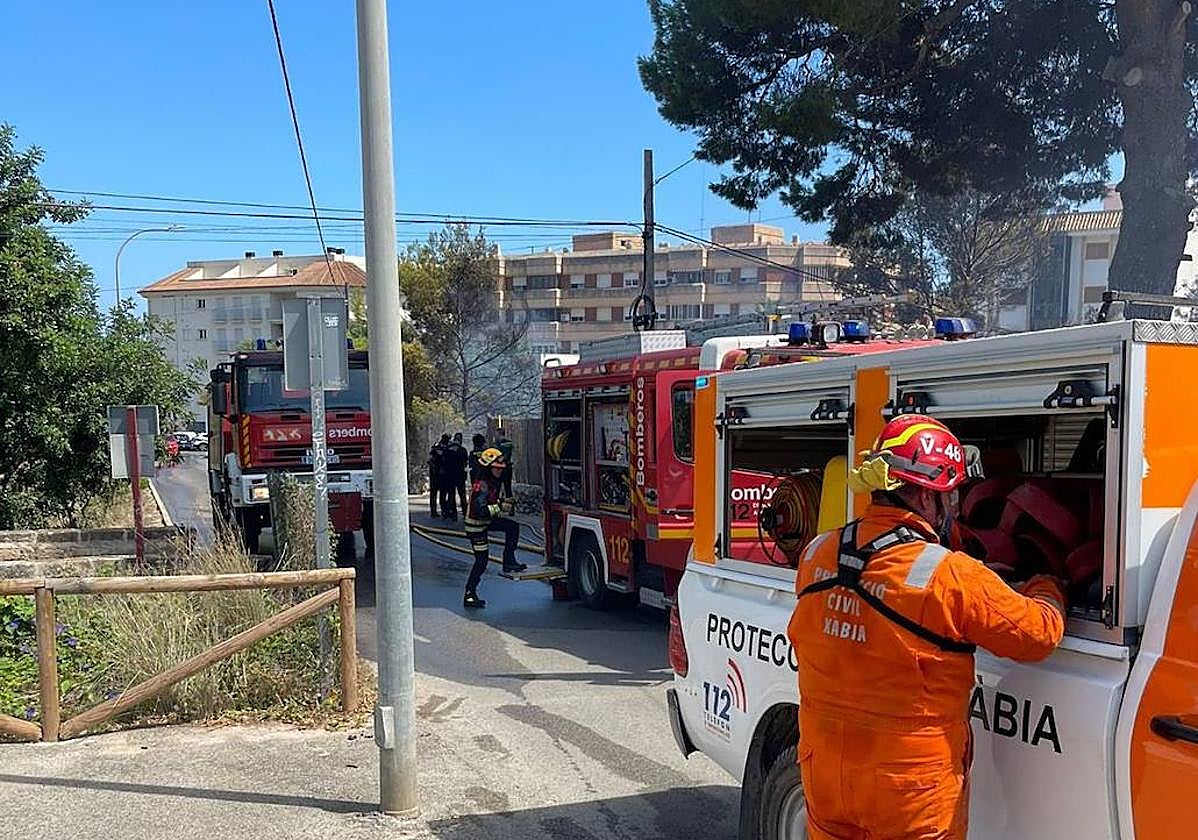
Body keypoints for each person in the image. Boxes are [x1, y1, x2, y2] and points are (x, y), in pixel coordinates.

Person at [787, 415, 1067, 840]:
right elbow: (1040, 633)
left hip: (825, 772)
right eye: (949, 494)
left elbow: (866, 602)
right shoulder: (952, 576)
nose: (954, 505)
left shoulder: (817, 552)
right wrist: (1047, 583)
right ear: (921, 494)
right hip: (908, 790)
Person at [462, 447, 526, 608]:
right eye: (497, 468)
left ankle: (509, 562)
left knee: (512, 527)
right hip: (476, 527)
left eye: (501, 468)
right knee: (482, 561)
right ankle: (469, 594)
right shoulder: (481, 485)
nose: (499, 471)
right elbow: (480, 511)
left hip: (485, 522)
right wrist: (500, 506)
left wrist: (503, 502)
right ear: (488, 467)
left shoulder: (492, 481)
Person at [446, 432, 470, 517]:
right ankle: (465, 512)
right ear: (461, 440)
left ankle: (453, 513)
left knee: (451, 494)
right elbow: (466, 462)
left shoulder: (448, 449)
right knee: (462, 495)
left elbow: (445, 461)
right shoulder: (462, 450)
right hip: (460, 475)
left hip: (450, 475)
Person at [428, 435, 449, 518]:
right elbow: (430, 460)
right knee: (436, 494)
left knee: (442, 494)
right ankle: (434, 511)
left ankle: (442, 510)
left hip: (442, 475)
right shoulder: (437, 447)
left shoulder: (446, 448)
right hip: (436, 474)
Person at [494, 426, 515, 497]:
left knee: (497, 488)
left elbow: (501, 456)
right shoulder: (509, 443)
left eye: (496, 434)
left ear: (500, 434)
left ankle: (497, 504)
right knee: (507, 488)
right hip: (507, 467)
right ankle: (509, 504)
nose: (495, 436)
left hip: (499, 469)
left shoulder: (498, 444)